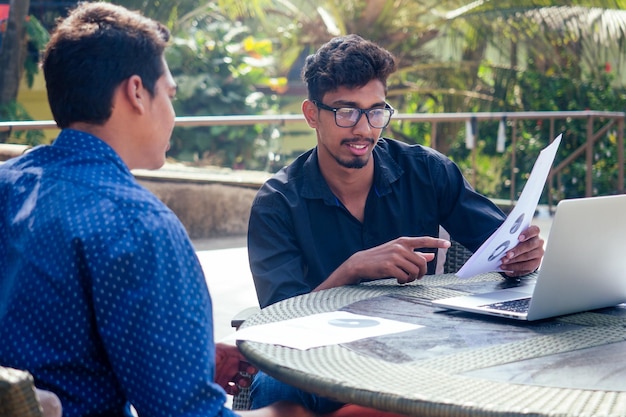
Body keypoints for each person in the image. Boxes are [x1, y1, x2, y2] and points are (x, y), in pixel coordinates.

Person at [0, 3, 314, 417]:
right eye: (169, 93)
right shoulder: (137, 224)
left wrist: (187, 361)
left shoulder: (9, 183)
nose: (174, 112)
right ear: (135, 92)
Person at [246, 34, 545, 413]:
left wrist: (523, 255)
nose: (364, 128)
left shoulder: (427, 171)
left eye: (376, 111)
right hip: (319, 356)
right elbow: (280, 323)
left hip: (421, 347)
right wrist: (352, 269)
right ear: (311, 114)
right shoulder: (277, 203)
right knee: (276, 388)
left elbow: (501, 243)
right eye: (346, 111)